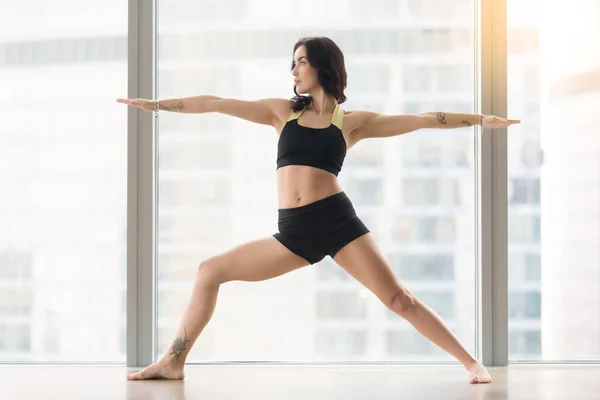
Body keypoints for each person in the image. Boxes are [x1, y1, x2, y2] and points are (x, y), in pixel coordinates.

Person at [118, 36, 520, 384]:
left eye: (302, 62)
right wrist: (157, 105)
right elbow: (217, 102)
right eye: (292, 63)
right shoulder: (282, 112)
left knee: (399, 299)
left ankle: (470, 361)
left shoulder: (351, 122)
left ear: (323, 67)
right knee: (210, 270)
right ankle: (173, 361)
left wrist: (483, 119)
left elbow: (423, 120)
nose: (294, 70)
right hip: (293, 232)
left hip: (336, 221)